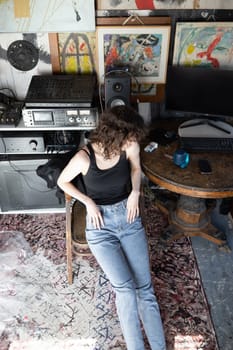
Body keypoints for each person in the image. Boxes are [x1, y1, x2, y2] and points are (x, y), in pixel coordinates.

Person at [57, 105, 166, 350]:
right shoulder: (84, 157)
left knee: (144, 289)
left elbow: (136, 168)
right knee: (126, 290)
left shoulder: (129, 146)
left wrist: (136, 192)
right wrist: (88, 202)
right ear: (116, 133)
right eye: (131, 135)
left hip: (128, 219)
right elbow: (62, 181)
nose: (134, 139)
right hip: (100, 227)